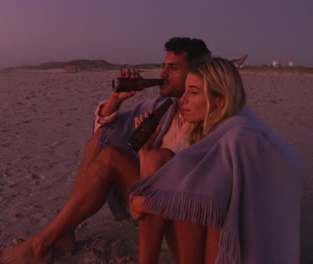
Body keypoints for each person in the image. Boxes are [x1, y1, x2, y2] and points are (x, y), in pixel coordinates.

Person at [0, 37, 212, 264]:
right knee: (99, 142)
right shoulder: (163, 106)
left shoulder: (211, 119)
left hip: (173, 224)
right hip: (146, 201)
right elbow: (105, 133)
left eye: (172, 68)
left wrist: (145, 151)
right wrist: (116, 99)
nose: (163, 74)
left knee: (114, 157)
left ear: (197, 73)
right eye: (164, 66)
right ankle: (65, 232)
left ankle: (40, 245)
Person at [129, 57, 304, 263]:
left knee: (188, 179)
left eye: (193, 92)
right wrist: (145, 150)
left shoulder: (239, 136)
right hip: (230, 230)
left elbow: (206, 201)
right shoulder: (222, 124)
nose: (182, 99)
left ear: (219, 99)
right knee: (165, 160)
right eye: (185, 90)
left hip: (250, 249)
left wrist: (144, 203)